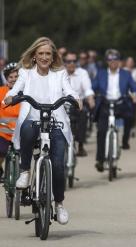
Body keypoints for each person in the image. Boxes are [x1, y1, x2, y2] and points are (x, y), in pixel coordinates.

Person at [4, 37, 82, 225]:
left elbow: (69, 90)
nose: (44, 57)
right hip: (33, 119)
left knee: (58, 165)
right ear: (34, 56)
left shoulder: (60, 73)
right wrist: (10, 97)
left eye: (48, 53)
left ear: (53, 56)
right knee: (28, 130)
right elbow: (15, 90)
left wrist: (75, 98)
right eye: (41, 54)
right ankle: (25, 171)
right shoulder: (25, 73)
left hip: (56, 121)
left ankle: (60, 204)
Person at [92, 49, 136, 172]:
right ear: (107, 61)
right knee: (101, 131)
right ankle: (100, 160)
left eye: (115, 59)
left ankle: (125, 141)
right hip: (105, 104)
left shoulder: (126, 74)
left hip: (121, 103)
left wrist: (134, 94)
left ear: (120, 61)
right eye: (110, 59)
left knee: (130, 116)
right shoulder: (101, 73)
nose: (113, 62)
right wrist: (90, 95)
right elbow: (93, 87)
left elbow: (135, 88)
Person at [64, 51, 95, 156]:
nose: (72, 63)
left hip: (79, 104)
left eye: (74, 61)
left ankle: (81, 145)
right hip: (62, 104)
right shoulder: (59, 73)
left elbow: (87, 88)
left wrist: (90, 99)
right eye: (69, 61)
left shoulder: (82, 73)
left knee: (84, 114)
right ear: (64, 62)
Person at [0, 63, 20, 183]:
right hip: (3, 132)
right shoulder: (1, 91)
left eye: (16, 76)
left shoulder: (24, 92)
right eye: (10, 77)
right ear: (6, 79)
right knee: (0, 151)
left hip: (19, 131)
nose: (13, 79)